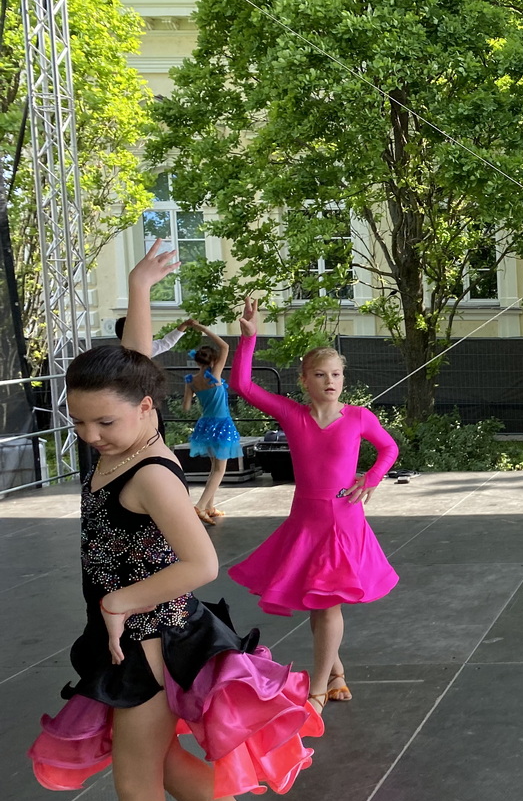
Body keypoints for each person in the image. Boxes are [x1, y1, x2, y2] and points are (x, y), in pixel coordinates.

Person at [31, 345, 318, 801]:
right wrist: (140, 294)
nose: (90, 435)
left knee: (136, 785)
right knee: (156, 764)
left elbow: (202, 562)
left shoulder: (152, 474)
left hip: (147, 643)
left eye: (104, 422)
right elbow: (134, 354)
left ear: (146, 408)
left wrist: (118, 601)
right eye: (79, 422)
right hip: (125, 635)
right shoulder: (123, 434)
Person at [228, 297, 400, 713]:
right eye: (321, 374)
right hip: (306, 520)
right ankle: (335, 674)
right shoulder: (293, 415)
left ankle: (318, 690)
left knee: (326, 604)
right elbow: (243, 387)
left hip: (344, 521)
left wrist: (370, 479)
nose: (330, 381)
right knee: (316, 601)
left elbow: (389, 448)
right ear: (304, 380)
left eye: (336, 374)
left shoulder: (358, 417)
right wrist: (248, 339)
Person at [182, 320, 242, 525]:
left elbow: (186, 407)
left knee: (213, 467)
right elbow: (225, 346)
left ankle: (209, 507)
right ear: (214, 361)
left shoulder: (191, 381)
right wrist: (202, 329)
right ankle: (199, 506)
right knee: (219, 469)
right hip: (221, 424)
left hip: (204, 425)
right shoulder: (214, 375)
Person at [114, 315, 190, 359]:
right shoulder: (142, 349)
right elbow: (166, 343)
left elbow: (165, 343)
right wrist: (184, 325)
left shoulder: (144, 348)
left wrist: (184, 325)